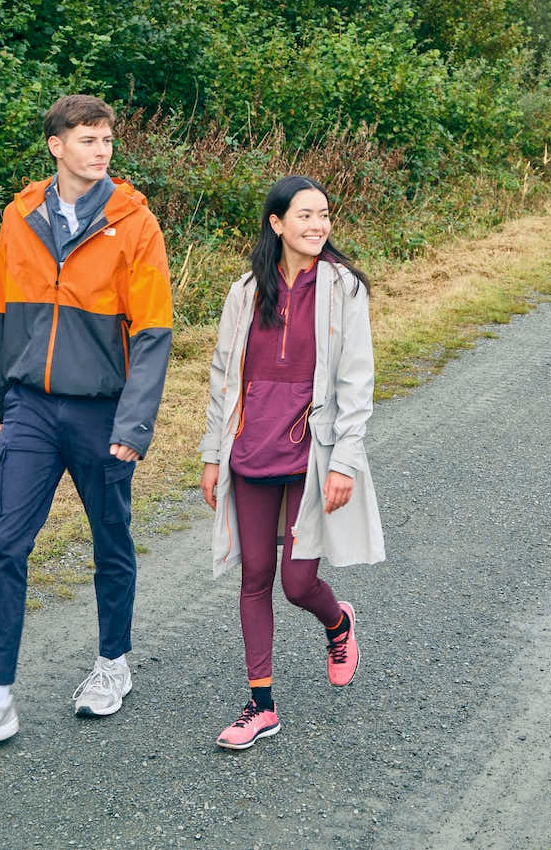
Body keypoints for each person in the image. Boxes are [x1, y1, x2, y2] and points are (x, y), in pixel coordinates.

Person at [0, 94, 173, 756]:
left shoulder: (135, 222)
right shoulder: (20, 216)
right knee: (6, 542)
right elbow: (1, 315)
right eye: (88, 139)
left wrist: (135, 420)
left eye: (107, 139)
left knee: (110, 536)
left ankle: (113, 661)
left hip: (102, 409)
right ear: (55, 145)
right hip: (31, 405)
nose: (101, 149)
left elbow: (153, 333)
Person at [198, 175, 384, 750]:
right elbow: (223, 379)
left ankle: (338, 623)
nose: (317, 225)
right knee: (254, 577)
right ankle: (261, 704)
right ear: (276, 224)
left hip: (311, 450)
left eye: (324, 215)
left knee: (297, 581)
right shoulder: (244, 292)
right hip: (252, 448)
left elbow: (356, 380)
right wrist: (212, 455)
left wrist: (344, 463)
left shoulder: (345, 288)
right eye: (304, 215)